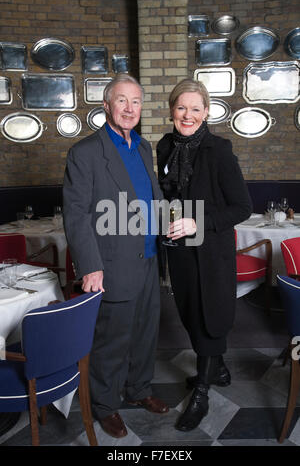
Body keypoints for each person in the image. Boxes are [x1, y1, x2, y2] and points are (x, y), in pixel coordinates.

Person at [63, 74, 169, 439]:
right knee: (111, 341)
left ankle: (139, 390)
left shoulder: (143, 148)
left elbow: (151, 199)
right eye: (121, 100)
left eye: (135, 101)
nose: (129, 108)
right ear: (106, 105)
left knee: (144, 332)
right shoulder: (85, 153)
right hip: (112, 262)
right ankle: (105, 406)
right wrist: (90, 266)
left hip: (150, 256)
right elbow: (76, 214)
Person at [157, 78, 252, 432]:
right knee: (190, 314)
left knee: (211, 313)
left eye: (196, 109)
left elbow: (242, 207)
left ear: (207, 112)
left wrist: (197, 222)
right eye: (181, 107)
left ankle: (202, 389)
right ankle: (218, 367)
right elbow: (168, 195)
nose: (188, 115)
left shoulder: (220, 149)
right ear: (171, 110)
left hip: (212, 251)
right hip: (180, 251)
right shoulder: (165, 146)